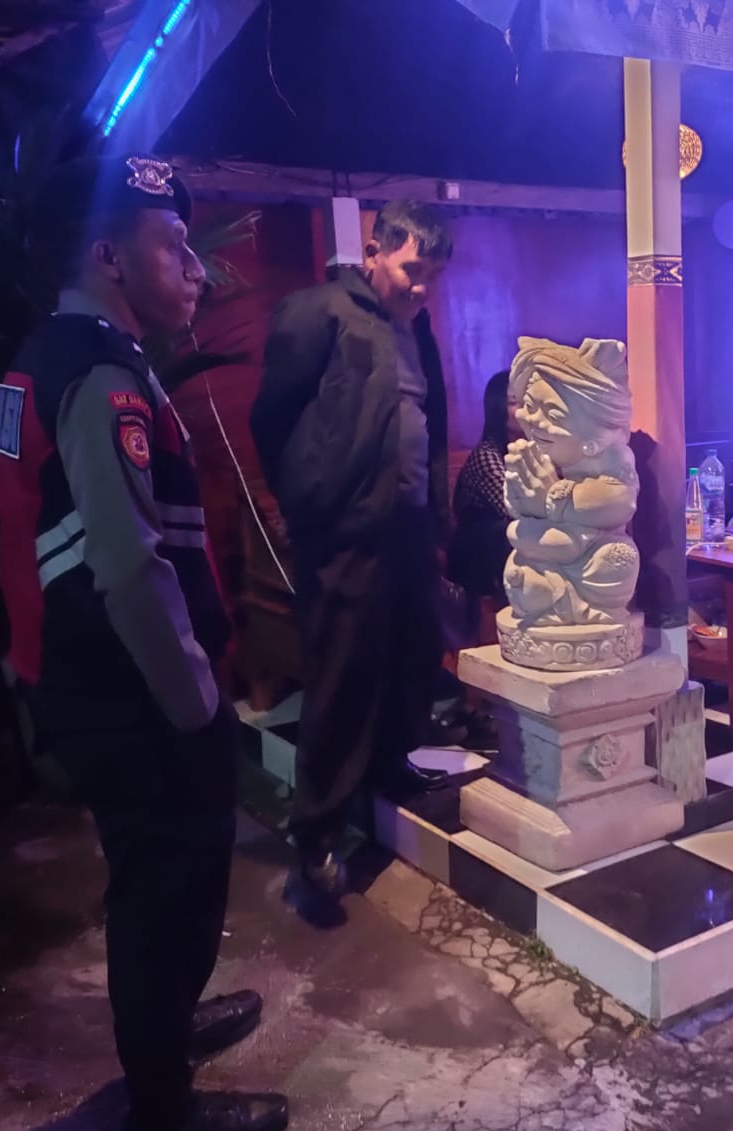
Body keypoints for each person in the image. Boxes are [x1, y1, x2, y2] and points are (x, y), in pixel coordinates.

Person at [0, 155, 287, 1131]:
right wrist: (196, 702)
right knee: (169, 889)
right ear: (110, 257)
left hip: (84, 684)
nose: (197, 268)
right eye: (173, 246)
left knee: (149, 882)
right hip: (134, 695)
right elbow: (126, 565)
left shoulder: (50, 354)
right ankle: (162, 1119)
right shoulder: (102, 374)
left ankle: (165, 1023)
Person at [250, 199, 455, 923]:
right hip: (344, 529)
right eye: (412, 269)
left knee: (413, 652)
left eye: (433, 275)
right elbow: (271, 417)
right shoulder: (319, 313)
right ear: (374, 252)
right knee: (339, 675)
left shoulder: (416, 331)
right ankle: (315, 837)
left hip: (408, 525)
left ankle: (388, 768)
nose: (422, 287)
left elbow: (429, 423)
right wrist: (306, 500)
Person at [447, 370, 516, 606]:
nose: (528, 409)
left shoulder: (529, 451)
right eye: (515, 402)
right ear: (498, 410)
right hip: (477, 559)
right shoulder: (487, 456)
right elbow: (516, 508)